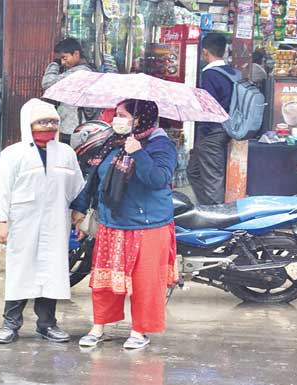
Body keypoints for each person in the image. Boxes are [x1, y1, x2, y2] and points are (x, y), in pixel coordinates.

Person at [72, 99, 178, 350]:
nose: (115, 119)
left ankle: (139, 331)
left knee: (145, 282)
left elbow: (159, 179)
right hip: (112, 222)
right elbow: (95, 179)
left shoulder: (161, 145)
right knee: (105, 279)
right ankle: (98, 326)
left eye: (121, 115)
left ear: (139, 119)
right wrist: (79, 208)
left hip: (148, 225)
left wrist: (138, 153)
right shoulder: (113, 142)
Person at [0, 98, 84, 344]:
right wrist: (0, 220)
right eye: (41, 122)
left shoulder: (66, 153)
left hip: (55, 222)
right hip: (22, 223)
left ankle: (47, 324)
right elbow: (1, 189)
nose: (48, 126)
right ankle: (10, 324)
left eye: (52, 121)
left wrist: (79, 212)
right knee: (20, 272)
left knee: (52, 273)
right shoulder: (12, 154)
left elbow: (78, 188)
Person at [187, 33, 236, 205]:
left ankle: (216, 216)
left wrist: (205, 131)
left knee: (212, 178)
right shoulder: (231, 73)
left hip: (212, 132)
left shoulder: (209, 75)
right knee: (194, 172)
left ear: (205, 52)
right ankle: (206, 208)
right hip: (225, 129)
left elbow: (207, 107)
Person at [42, 38, 98, 145]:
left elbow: (47, 83)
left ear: (76, 54)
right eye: (61, 59)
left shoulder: (79, 72)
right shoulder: (88, 69)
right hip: (77, 127)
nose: (62, 62)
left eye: (64, 58)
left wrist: (54, 64)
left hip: (73, 129)